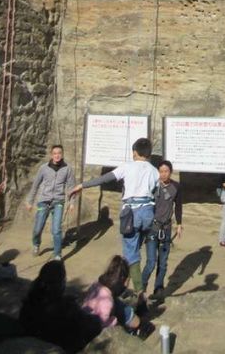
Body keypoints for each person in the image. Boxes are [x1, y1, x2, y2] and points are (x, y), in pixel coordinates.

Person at [70, 137, 158, 297]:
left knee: (131, 254)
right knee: (134, 249)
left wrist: (82, 185)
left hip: (131, 213)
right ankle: (130, 278)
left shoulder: (128, 166)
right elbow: (156, 193)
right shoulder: (154, 171)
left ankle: (137, 292)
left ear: (135, 152)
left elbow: (105, 178)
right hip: (148, 213)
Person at [19, 260, 101, 352]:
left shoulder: (30, 302)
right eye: (64, 279)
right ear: (61, 283)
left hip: (37, 344)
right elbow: (93, 326)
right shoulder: (67, 308)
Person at [26, 143, 76, 260]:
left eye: (59, 153)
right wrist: (30, 201)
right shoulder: (44, 168)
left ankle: (57, 254)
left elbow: (71, 187)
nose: (57, 156)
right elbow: (35, 185)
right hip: (44, 201)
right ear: (51, 155)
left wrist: (72, 202)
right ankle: (36, 244)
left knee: (56, 229)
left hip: (58, 201)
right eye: (54, 153)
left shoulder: (67, 169)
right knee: (38, 228)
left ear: (62, 154)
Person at [83, 254, 153, 338]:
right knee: (124, 310)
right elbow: (101, 324)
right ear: (122, 280)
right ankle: (138, 328)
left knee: (121, 306)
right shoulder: (107, 301)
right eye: (127, 280)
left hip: (85, 315)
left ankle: (136, 322)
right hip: (92, 328)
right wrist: (114, 320)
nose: (127, 284)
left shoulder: (98, 285)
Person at [142, 160, 183, 298]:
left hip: (166, 228)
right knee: (151, 262)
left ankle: (158, 288)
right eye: (161, 171)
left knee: (163, 262)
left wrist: (179, 224)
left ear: (170, 172)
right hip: (153, 227)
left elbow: (178, 205)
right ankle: (140, 288)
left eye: (166, 171)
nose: (163, 174)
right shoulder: (153, 185)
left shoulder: (176, 186)